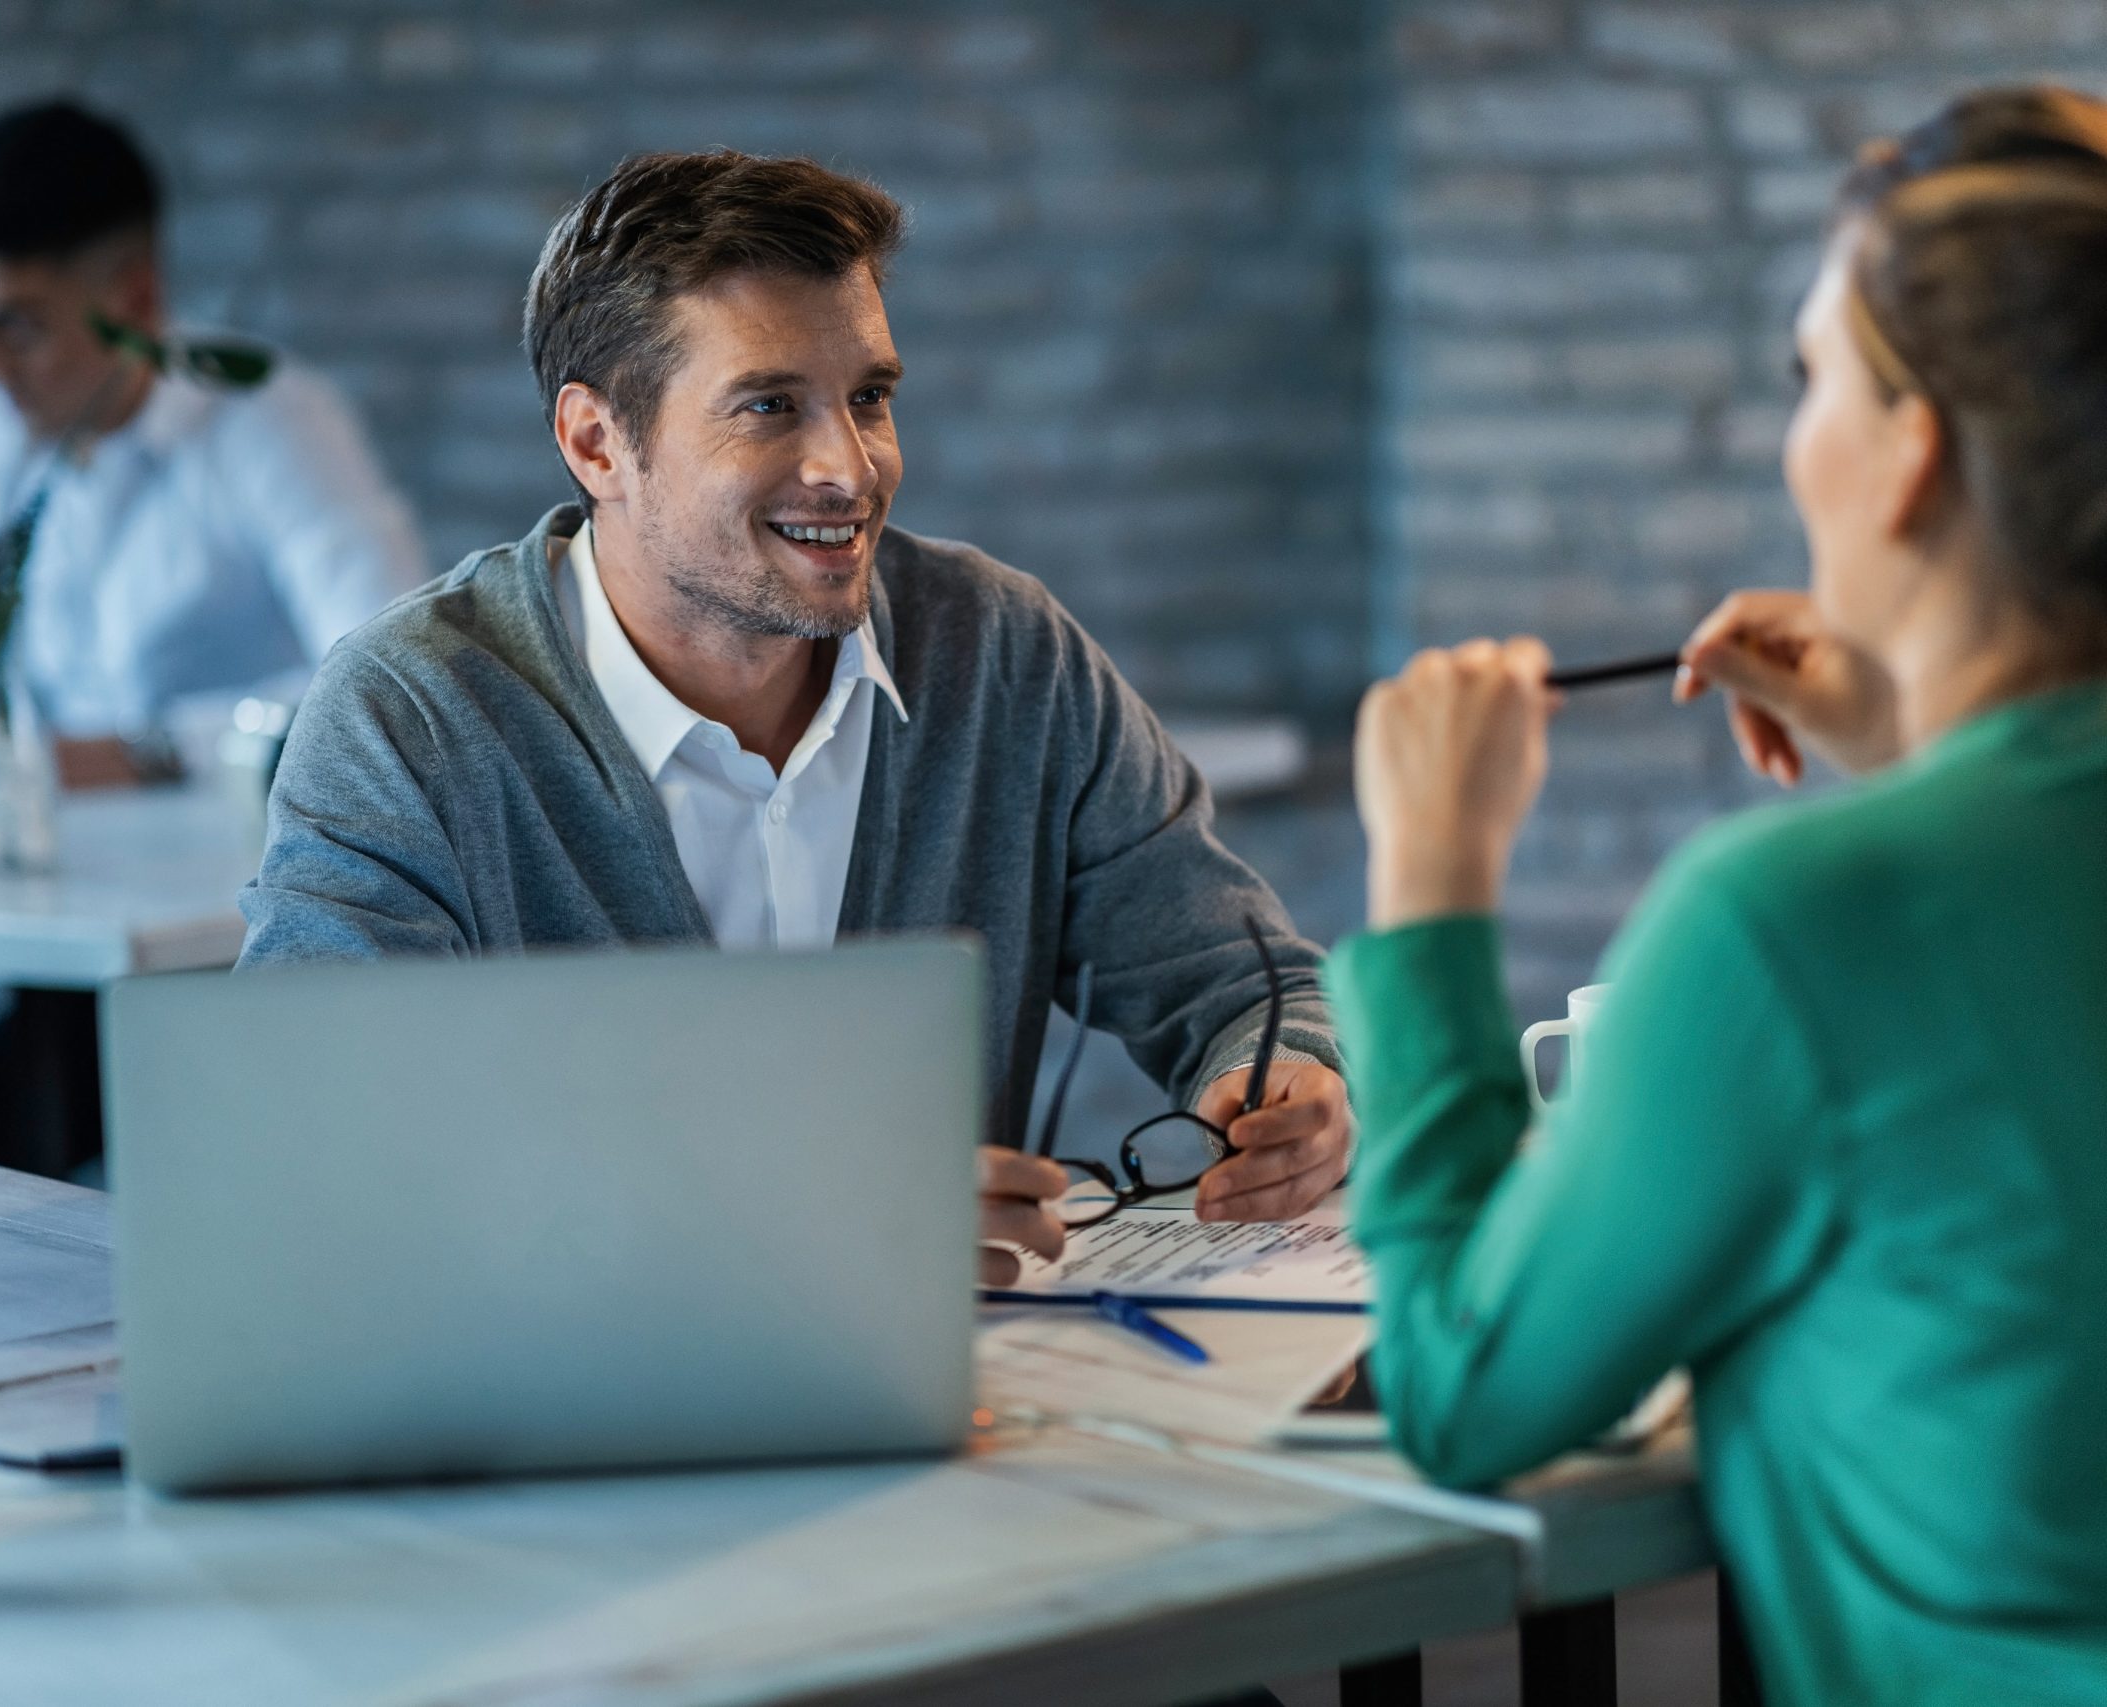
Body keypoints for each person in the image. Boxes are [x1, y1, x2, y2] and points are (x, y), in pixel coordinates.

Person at [1330, 87, 2107, 1704]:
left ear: (1911, 457)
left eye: (1814, 378)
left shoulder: (1789, 918)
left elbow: (1465, 1392)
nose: (1791, 430)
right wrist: (1936, 744)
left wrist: (1431, 888)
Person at [239, 151, 1354, 1276]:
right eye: (770, 406)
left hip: (959, 1410)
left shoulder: (1003, 653)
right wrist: (807, 1218)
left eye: (869, 398)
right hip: (573, 1411)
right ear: (596, 443)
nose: (850, 467)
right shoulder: (410, 713)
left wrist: (1282, 1075)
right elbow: (316, 1141)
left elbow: (1237, 978)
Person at [0, 99, 426, 782]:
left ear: (134, 299)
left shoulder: (274, 422)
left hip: (255, 863)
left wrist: (145, 754)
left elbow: (396, 684)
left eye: (18, 327)